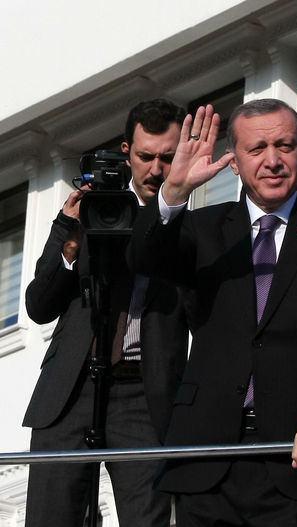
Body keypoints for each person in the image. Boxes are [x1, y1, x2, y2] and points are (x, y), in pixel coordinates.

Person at [128, 99, 297, 526]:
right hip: (207, 462)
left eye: (285, 146)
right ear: (234, 162)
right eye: (257, 149)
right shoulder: (201, 228)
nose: (273, 161)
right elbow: (143, 257)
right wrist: (174, 192)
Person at [23, 98, 189, 527]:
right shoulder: (92, 209)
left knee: (148, 519)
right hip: (70, 389)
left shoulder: (189, 225)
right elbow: (39, 306)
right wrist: (70, 238)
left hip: (143, 392)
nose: (156, 169)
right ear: (126, 152)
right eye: (146, 157)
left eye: (167, 158)